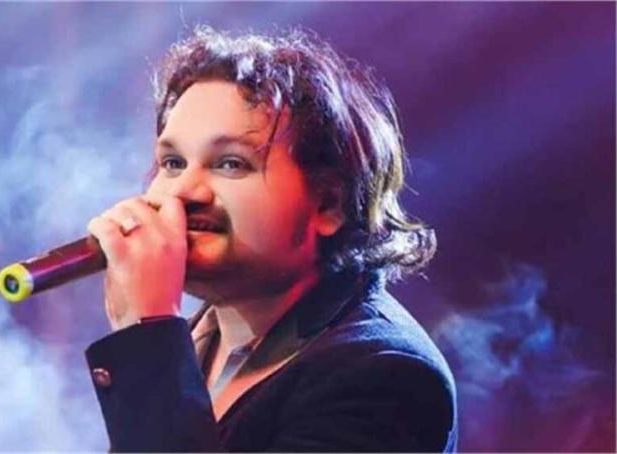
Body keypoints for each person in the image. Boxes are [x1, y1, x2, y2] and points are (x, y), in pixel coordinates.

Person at [84, 26, 458, 452]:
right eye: (172, 162)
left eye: (230, 163)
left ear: (329, 203)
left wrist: (146, 335)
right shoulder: (196, 340)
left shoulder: (384, 377)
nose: (182, 192)